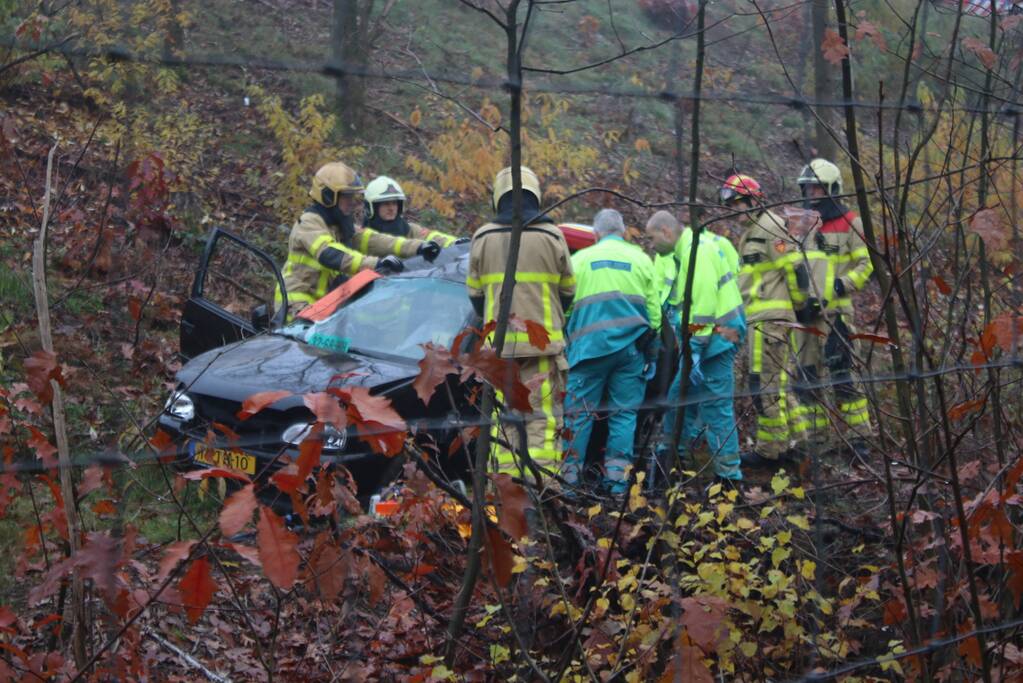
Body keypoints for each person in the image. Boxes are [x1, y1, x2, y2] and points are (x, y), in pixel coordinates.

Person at [466, 166, 575, 476]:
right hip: (543, 351)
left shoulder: (483, 237)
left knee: (503, 424)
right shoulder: (552, 235)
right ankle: (541, 497)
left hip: (499, 354)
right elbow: (568, 291)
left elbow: (475, 297)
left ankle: (505, 497)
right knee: (541, 423)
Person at [561, 209, 662, 494]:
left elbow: (564, 309)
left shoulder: (579, 260)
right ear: (623, 231)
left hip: (587, 352)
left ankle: (569, 486)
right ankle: (617, 486)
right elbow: (655, 314)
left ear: (595, 234)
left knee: (578, 416)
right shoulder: (642, 260)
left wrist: (568, 340)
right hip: (631, 352)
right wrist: (651, 354)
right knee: (624, 415)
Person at [719, 174, 808, 468]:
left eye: (737, 203)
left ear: (752, 200)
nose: (734, 210)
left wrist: (800, 305)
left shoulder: (770, 227)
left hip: (770, 321)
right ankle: (799, 443)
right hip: (761, 318)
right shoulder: (754, 230)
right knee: (777, 386)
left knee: (764, 386)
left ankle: (771, 451)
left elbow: (795, 268)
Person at [652, 211, 746, 486]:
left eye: (652, 236)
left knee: (716, 407)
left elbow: (703, 305)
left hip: (717, 339)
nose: (650, 244)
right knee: (678, 397)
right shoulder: (686, 252)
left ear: (667, 232)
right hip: (711, 338)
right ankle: (671, 457)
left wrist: (694, 346)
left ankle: (729, 479)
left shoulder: (697, 252)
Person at [276, 162, 441, 317]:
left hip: (321, 306)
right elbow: (331, 254)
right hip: (295, 305)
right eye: (346, 196)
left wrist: (417, 247)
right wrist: (376, 264)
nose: (351, 202)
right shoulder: (310, 222)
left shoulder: (338, 224)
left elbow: (373, 240)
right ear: (328, 196)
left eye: (352, 196)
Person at [792, 159, 875, 458]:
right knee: (805, 377)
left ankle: (858, 440)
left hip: (837, 312)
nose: (812, 193)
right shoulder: (800, 224)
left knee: (843, 373)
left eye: (817, 187)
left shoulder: (850, 221)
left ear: (832, 189)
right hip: (805, 314)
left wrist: (842, 284)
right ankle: (816, 440)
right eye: (808, 187)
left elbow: (868, 264)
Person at [362, 176, 467, 247]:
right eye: (386, 204)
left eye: (394, 203)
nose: (392, 208)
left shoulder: (409, 229)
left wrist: (454, 243)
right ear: (371, 207)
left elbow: (432, 237)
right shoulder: (362, 236)